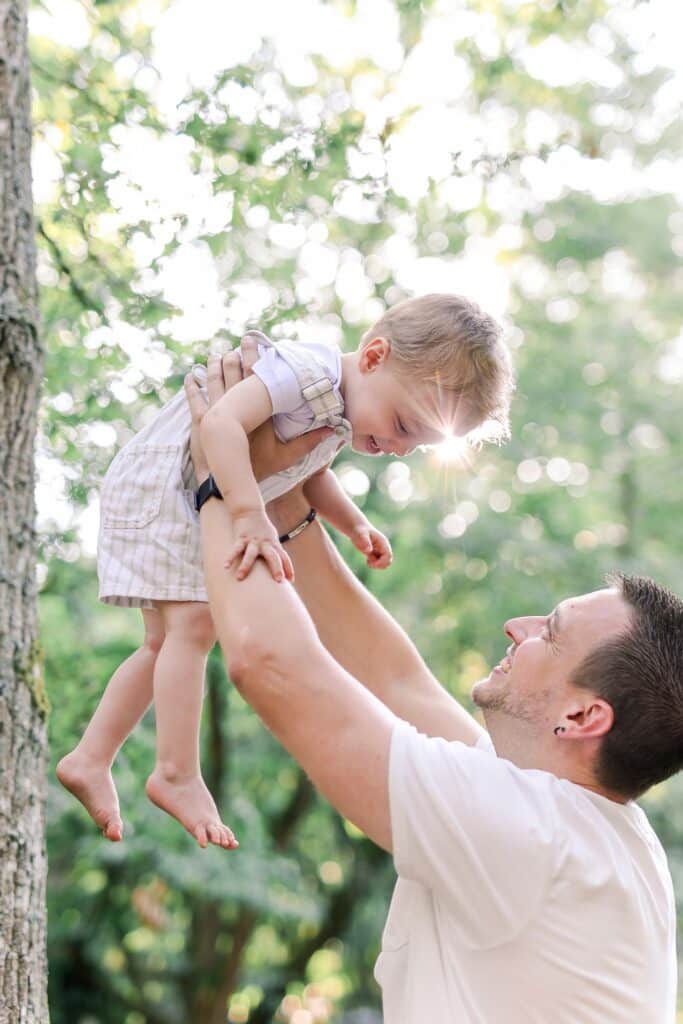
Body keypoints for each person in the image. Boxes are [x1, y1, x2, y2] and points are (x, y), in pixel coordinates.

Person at [184, 344, 681, 1023]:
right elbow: (396, 681)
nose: (516, 626)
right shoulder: (575, 819)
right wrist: (280, 493)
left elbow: (272, 666)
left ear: (581, 716)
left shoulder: (535, 838)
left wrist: (216, 483)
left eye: (550, 632)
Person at [57, 293, 514, 848]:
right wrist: (248, 515)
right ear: (372, 357)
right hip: (163, 485)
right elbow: (220, 425)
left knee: (164, 643)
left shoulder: (341, 410)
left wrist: (354, 525)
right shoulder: (309, 371)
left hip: (171, 490)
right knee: (195, 629)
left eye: (415, 444)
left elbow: (310, 472)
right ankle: (174, 772)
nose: (397, 447)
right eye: (402, 425)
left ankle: (91, 756)